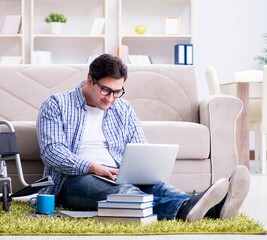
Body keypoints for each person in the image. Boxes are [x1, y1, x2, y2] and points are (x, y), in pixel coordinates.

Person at [36, 53, 250, 221]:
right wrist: (94, 167)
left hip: (118, 172)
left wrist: (142, 170)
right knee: (124, 191)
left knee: (160, 187)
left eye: (118, 91)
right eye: (106, 91)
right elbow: (52, 152)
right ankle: (187, 207)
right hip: (74, 181)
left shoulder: (123, 108)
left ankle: (213, 208)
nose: (111, 98)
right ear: (90, 80)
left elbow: (140, 145)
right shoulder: (56, 104)